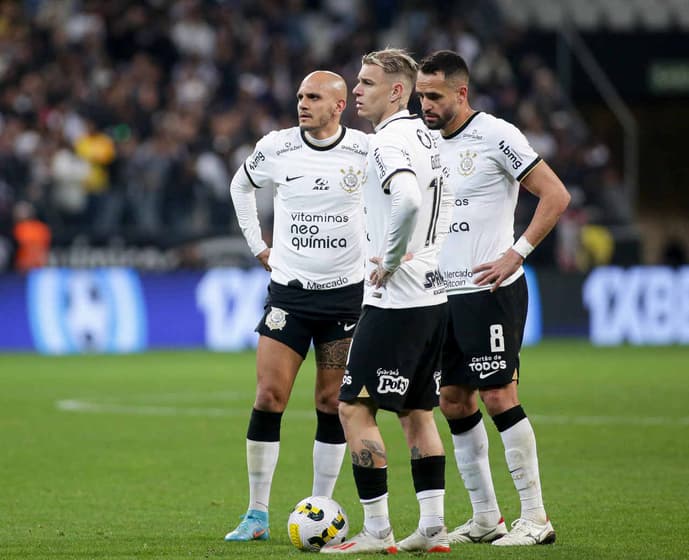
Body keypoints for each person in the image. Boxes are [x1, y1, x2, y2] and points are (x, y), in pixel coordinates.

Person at [415, 50, 571, 546]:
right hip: (442, 295)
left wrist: (517, 253)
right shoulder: (420, 144)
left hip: (490, 291)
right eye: (420, 95)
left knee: (500, 395)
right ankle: (486, 517)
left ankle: (536, 518)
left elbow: (555, 195)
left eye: (434, 96)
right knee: (453, 400)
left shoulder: (497, 135)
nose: (425, 105)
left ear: (461, 93)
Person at [224, 71, 369, 542]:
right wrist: (257, 246)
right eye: (300, 96)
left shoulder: (365, 153)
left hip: (346, 296)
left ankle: (319, 506)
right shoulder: (277, 147)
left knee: (331, 402)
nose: (302, 104)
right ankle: (256, 514)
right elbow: (240, 187)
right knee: (269, 396)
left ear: (339, 105)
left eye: (313, 97)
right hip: (289, 292)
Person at [322, 48, 453, 555]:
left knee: (352, 408)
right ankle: (434, 527)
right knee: (419, 412)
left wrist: (391, 258)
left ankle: (377, 530)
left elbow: (409, 199)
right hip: (433, 297)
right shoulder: (428, 137)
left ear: (397, 91)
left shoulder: (388, 141)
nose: (356, 90)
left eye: (367, 82)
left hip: (395, 300)